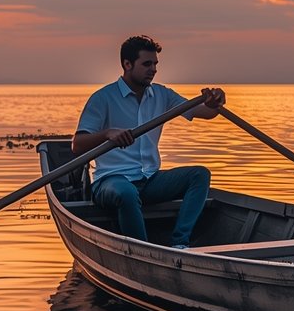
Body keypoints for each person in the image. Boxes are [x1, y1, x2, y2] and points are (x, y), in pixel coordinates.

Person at [73, 35, 226, 248]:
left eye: (155, 64)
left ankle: (179, 244)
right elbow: (77, 145)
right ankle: (143, 252)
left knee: (200, 175)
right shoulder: (103, 97)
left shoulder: (162, 95)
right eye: (147, 64)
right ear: (127, 64)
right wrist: (108, 134)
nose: (153, 69)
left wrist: (215, 102)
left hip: (149, 180)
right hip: (111, 181)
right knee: (127, 193)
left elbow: (205, 112)